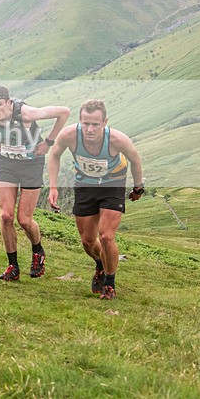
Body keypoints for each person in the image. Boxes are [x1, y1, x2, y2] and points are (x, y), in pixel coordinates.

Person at [0, 85, 69, 281]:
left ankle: (38, 251)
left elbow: (64, 112)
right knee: (6, 216)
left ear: (9, 102)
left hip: (31, 164)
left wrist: (48, 142)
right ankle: (13, 266)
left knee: (24, 219)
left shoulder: (26, 113)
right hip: (6, 162)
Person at [47, 99, 144, 300]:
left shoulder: (118, 140)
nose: (90, 129)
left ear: (105, 122)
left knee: (107, 236)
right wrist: (53, 186)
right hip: (85, 185)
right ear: (80, 121)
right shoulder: (69, 135)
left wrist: (138, 188)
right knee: (88, 241)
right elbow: (54, 155)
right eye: (86, 123)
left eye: (95, 124)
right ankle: (100, 265)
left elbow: (135, 160)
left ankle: (109, 283)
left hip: (112, 184)